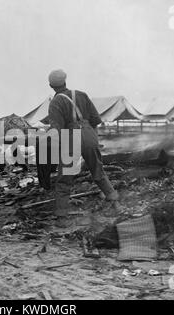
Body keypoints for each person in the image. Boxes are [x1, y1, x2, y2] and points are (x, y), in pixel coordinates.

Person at [47, 69, 119, 228]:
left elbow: (56, 130)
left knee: (65, 179)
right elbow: (96, 119)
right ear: (65, 81)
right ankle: (115, 204)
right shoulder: (82, 94)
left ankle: (62, 218)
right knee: (98, 171)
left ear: (51, 86)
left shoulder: (55, 103)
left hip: (70, 137)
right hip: (89, 134)